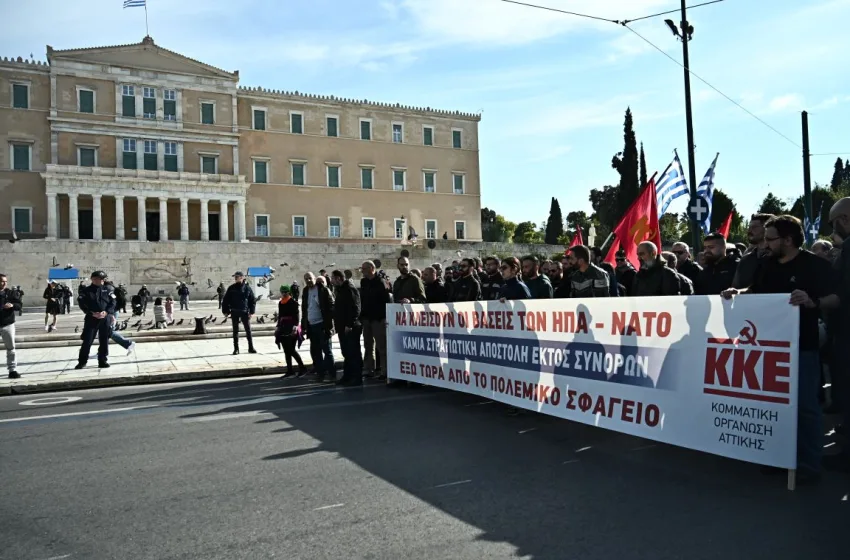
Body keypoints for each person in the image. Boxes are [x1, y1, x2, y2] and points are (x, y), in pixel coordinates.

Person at [722, 215, 840, 484]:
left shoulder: (814, 265)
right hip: (769, 348)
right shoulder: (767, 264)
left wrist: (813, 301)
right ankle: (779, 458)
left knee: (806, 406)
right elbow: (755, 290)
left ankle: (809, 464)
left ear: (788, 240)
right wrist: (737, 293)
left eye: (771, 238)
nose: (765, 243)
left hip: (803, 347)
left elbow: (837, 298)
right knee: (774, 406)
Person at [75, 270, 116, 370]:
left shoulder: (108, 289)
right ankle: (82, 362)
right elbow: (82, 303)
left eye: (102, 279)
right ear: (92, 279)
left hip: (104, 318)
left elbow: (113, 302)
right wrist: (91, 313)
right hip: (91, 318)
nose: (100, 281)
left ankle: (102, 361)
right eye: (97, 279)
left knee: (104, 340)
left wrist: (106, 312)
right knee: (87, 341)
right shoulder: (86, 291)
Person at [360, 261, 392, 380]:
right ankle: (369, 369)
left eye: (364, 269)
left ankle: (385, 371)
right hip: (367, 318)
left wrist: (384, 318)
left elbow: (386, 300)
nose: (362, 271)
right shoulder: (364, 282)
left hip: (378, 319)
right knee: (368, 346)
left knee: (381, 346)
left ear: (371, 268)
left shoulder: (381, 282)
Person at [301, 272, 335, 382]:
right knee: (316, 352)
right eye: (306, 279)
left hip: (322, 325)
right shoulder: (305, 291)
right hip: (311, 326)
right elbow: (304, 308)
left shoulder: (323, 290)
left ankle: (332, 374)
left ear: (315, 278)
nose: (308, 281)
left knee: (327, 351)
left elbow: (331, 306)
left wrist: (329, 326)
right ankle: (320, 374)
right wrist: (303, 326)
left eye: (310, 278)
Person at [331, 270, 363, 386]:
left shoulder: (350, 288)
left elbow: (356, 308)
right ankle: (347, 376)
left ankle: (357, 377)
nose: (331, 281)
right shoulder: (340, 290)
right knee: (347, 353)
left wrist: (350, 324)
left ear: (339, 278)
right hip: (342, 327)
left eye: (333, 278)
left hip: (351, 327)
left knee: (354, 353)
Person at [222, 271, 257, 355]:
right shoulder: (231, 288)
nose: (235, 278)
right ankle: (236, 349)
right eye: (235, 276)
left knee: (248, 330)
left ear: (242, 277)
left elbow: (252, 300)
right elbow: (225, 300)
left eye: (237, 276)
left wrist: (251, 312)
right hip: (234, 311)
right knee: (235, 331)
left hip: (244, 312)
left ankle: (251, 347)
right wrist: (225, 311)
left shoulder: (247, 288)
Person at [275, 284, 305, 378]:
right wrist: (278, 326)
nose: (284, 294)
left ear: (289, 292)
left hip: (291, 328)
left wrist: (295, 326)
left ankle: (302, 368)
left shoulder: (293, 302)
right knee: (286, 351)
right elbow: (280, 316)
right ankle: (290, 370)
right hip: (283, 328)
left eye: (285, 292)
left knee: (291, 349)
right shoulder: (281, 303)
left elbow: (296, 316)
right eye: (282, 292)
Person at [0, 273, 21, 379]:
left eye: (5, 281)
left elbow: (19, 305)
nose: (4, 283)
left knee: (11, 348)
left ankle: (12, 370)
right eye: (2, 281)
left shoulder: (10, 293)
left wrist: (12, 305)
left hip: (8, 323)